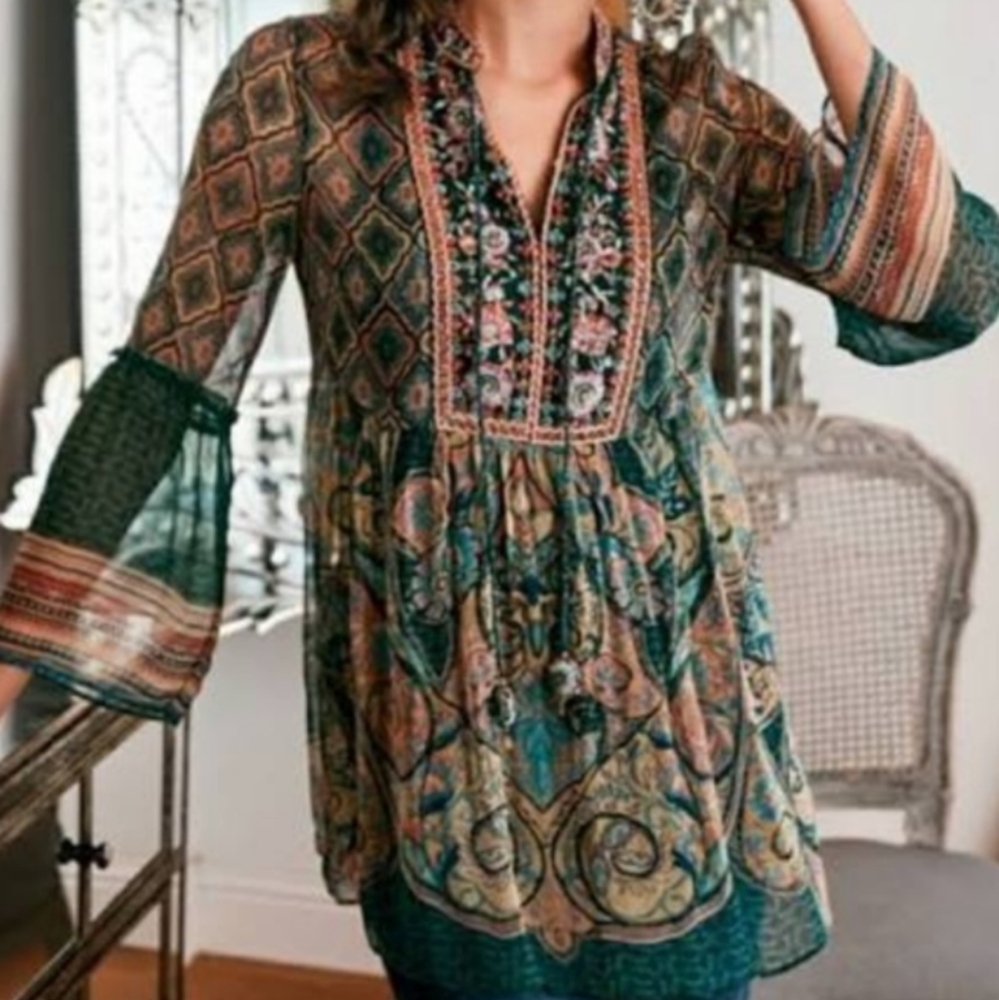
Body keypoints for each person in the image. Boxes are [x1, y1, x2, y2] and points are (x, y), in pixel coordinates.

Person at [1, 0, 998, 997]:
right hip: (440, 743)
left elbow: (948, 288)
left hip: (680, 732)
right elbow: (160, 387)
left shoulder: (696, 116)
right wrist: (10, 665)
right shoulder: (301, 87)